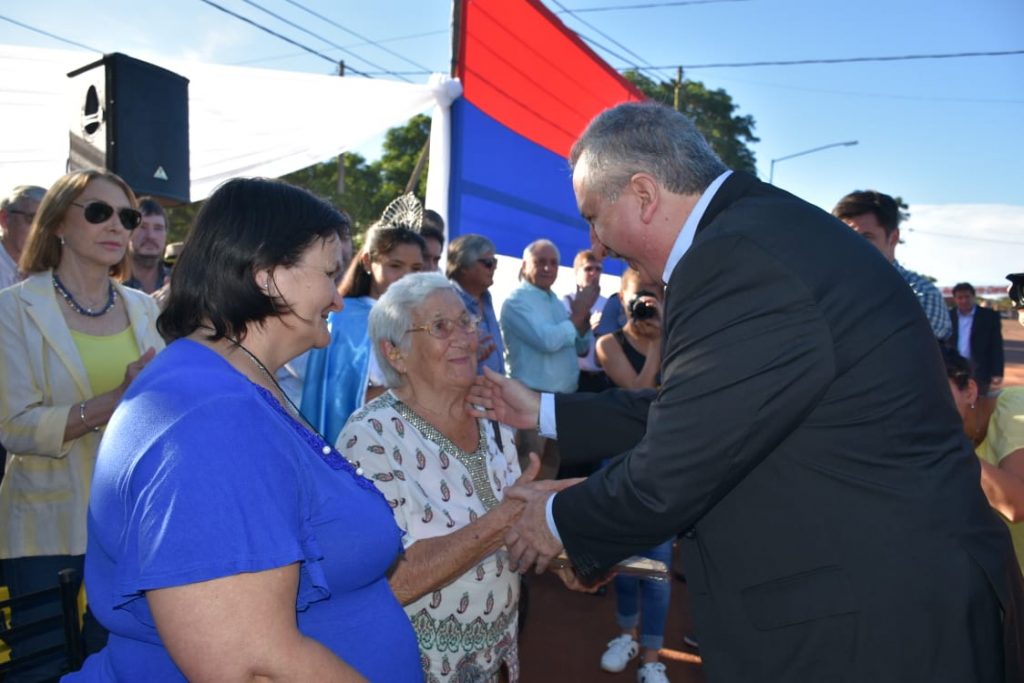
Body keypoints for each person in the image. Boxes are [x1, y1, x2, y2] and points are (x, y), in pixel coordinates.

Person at [472, 102, 1018, 682]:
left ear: (643, 194)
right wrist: (547, 410)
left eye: (593, 216)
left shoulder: (734, 258)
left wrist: (554, 520)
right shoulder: (756, 233)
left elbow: (678, 461)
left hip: (877, 624)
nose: (596, 243)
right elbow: (711, 408)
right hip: (887, 597)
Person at [67, 177, 421, 681]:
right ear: (266, 277)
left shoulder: (233, 386)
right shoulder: (208, 416)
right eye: (327, 272)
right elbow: (253, 665)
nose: (338, 299)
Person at [0, 169, 162, 680]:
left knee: (126, 671)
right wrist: (115, 400)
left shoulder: (144, 310)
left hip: (134, 528)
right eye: (99, 211)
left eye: (127, 216)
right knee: (44, 671)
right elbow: (15, 427)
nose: (117, 225)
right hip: (46, 534)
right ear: (58, 225)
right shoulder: (13, 310)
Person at [339, 272, 535, 682]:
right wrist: (507, 519)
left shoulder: (493, 418)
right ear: (395, 353)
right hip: (415, 666)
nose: (463, 337)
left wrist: (557, 547)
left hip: (495, 655)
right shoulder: (370, 437)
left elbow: (514, 540)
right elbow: (392, 579)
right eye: (440, 327)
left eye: (466, 321)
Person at [593, 268, 672, 683]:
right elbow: (639, 396)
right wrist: (656, 344)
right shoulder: (609, 344)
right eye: (640, 294)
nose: (647, 301)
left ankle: (652, 657)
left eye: (655, 293)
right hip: (622, 464)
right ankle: (626, 634)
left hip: (664, 466)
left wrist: (663, 338)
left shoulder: (678, 340)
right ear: (621, 298)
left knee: (658, 567)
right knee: (626, 562)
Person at [301, 221, 426, 444]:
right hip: (365, 441)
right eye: (395, 265)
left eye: (416, 268)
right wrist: (414, 387)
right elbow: (342, 398)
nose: (407, 277)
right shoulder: (344, 317)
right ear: (368, 261)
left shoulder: (424, 318)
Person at [500, 239, 597, 480]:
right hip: (532, 397)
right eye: (540, 262)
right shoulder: (516, 301)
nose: (548, 268)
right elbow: (547, 341)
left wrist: (583, 322)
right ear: (525, 265)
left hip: (561, 399)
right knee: (528, 466)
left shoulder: (554, 299)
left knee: (551, 465)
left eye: (553, 263)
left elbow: (580, 347)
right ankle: (518, 516)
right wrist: (577, 315)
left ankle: (537, 516)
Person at [832, 190, 952, 341]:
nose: (853, 246)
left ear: (893, 238)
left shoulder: (921, 296)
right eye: (845, 237)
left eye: (866, 237)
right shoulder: (826, 292)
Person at [943, 347, 1024, 570]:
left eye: (938, 393)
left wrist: (942, 444)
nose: (929, 407)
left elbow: (1016, 503)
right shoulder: (961, 440)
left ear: (970, 390)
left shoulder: (1015, 409)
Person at [447, 233, 505, 376]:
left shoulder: (486, 297)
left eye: (495, 262)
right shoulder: (447, 300)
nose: (494, 268)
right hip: (466, 394)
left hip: (494, 392)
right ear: (464, 266)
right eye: (488, 263)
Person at [564, 250, 609, 393]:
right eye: (588, 269)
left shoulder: (609, 304)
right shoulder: (565, 303)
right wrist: (588, 326)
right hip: (575, 377)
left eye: (598, 269)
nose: (593, 273)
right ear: (576, 272)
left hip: (603, 377)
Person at [950, 281, 1004, 396]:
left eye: (967, 296)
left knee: (979, 404)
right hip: (953, 369)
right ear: (954, 299)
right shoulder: (947, 316)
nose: (964, 300)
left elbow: (996, 345)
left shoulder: (989, 316)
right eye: (960, 297)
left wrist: (997, 372)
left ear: (973, 297)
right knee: (956, 403)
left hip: (980, 370)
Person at [0, 184, 46, 289]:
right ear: (4, 219)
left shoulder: (53, 271)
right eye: (32, 219)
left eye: (49, 223)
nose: (42, 230)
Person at [122, 197, 170, 294]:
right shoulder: (108, 283)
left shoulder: (178, 282)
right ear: (127, 232)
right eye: (142, 227)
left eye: (158, 228)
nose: (150, 236)